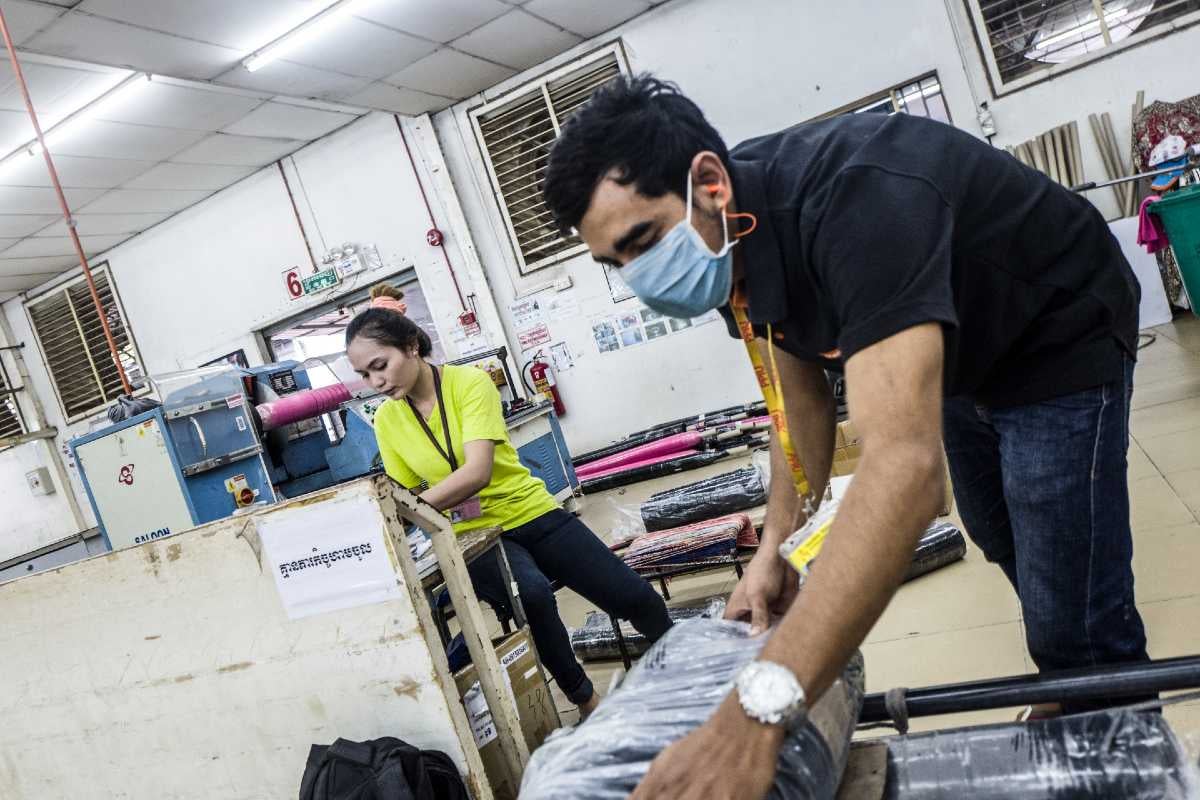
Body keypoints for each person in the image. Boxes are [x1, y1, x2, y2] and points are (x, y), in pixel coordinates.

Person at [543, 75, 1148, 798]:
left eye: (641, 242)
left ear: (708, 182)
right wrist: (773, 548)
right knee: (999, 530)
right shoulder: (729, 239)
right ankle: (1069, 675)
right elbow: (795, 396)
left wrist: (755, 714)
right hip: (962, 350)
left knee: (1066, 574)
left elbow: (905, 473)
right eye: (617, 264)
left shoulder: (858, 205)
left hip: (1056, 331)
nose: (640, 278)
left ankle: (1115, 721)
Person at [346, 283, 671, 718]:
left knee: (636, 598)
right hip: (469, 535)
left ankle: (690, 666)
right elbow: (407, 494)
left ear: (411, 346)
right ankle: (586, 700)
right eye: (365, 375)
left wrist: (408, 506)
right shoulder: (386, 419)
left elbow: (475, 472)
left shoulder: (469, 383)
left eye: (379, 366)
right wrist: (402, 509)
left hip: (528, 510)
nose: (375, 382)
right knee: (532, 595)